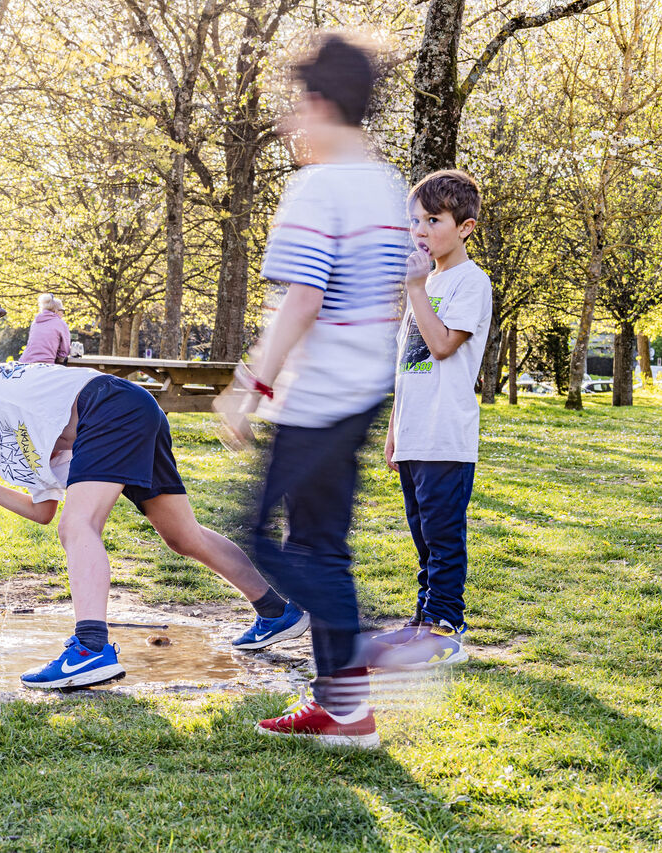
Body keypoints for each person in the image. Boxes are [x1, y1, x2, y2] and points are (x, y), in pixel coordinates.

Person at [214, 34, 408, 748]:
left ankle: (366, 647)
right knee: (322, 547)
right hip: (362, 393)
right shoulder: (387, 186)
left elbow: (303, 296)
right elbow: (393, 292)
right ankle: (346, 710)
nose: (291, 121)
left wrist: (250, 384)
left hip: (319, 396)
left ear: (323, 103)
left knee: (260, 533)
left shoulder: (318, 187)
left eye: (298, 104)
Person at [0, 360, 307, 689]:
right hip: (130, 411)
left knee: (78, 526)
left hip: (106, 403)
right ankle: (276, 611)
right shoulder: (15, 441)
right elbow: (42, 510)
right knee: (183, 536)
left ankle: (89, 648)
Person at [375, 169, 491, 667]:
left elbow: (442, 346)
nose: (420, 231)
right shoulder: (428, 282)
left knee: (444, 536)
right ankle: (424, 621)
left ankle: (446, 626)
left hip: (446, 435)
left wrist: (417, 290)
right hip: (416, 434)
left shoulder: (470, 281)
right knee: (423, 536)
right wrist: (394, 430)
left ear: (464, 227)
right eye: (414, 221)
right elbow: (408, 365)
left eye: (433, 220)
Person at [19, 294, 72, 364]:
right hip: (44, 363)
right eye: (62, 310)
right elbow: (64, 352)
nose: (63, 314)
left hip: (24, 361)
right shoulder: (61, 324)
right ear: (56, 311)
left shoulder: (35, 322)